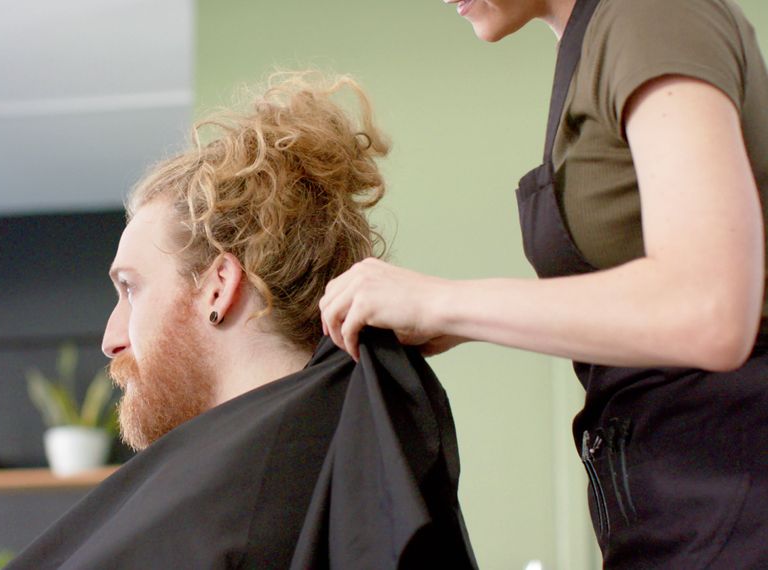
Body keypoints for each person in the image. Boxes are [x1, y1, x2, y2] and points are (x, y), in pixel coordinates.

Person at [319, 0, 768, 566]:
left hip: (736, 495)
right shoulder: (590, 45)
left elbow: (711, 308)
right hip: (673, 507)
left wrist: (443, 304)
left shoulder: (653, 14)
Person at [7, 73, 476, 569]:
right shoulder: (341, 463)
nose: (110, 338)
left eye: (130, 288)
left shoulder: (232, 509)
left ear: (218, 286)